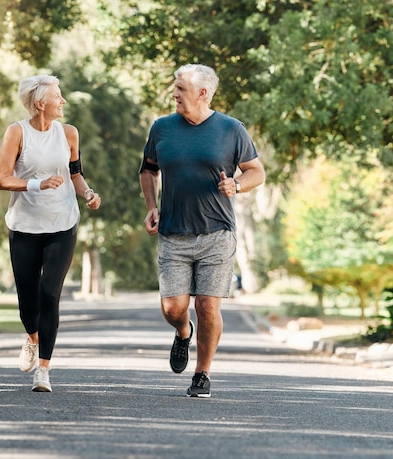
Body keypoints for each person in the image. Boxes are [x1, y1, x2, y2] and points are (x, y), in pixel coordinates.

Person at [139, 64, 265, 398]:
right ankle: (183, 332)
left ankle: (202, 373)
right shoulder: (162, 128)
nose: (174, 93)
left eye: (180, 88)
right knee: (173, 309)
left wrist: (237, 185)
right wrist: (152, 206)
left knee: (208, 307)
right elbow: (148, 171)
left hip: (216, 234)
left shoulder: (231, 129)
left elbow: (257, 172)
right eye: (175, 87)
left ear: (202, 93)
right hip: (173, 233)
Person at [0, 74, 101, 392]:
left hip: (62, 223)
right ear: (41, 103)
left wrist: (87, 193)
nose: (63, 101)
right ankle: (32, 337)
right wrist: (36, 184)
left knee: (49, 294)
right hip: (24, 225)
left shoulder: (69, 133)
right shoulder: (17, 133)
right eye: (58, 96)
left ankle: (44, 369)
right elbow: (2, 179)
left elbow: (75, 173)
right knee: (28, 302)